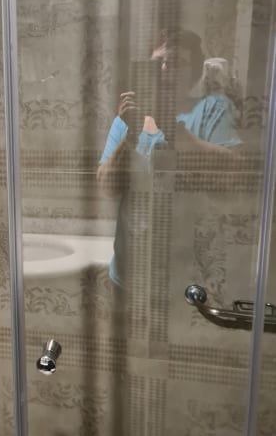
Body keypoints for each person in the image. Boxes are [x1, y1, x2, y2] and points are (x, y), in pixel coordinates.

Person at [97, 30, 242, 288]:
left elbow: (233, 177)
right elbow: (106, 187)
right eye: (157, 63)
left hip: (187, 275)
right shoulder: (128, 117)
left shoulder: (211, 107)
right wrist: (130, 135)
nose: (164, 69)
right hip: (129, 270)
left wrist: (172, 128)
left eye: (175, 63)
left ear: (194, 73)